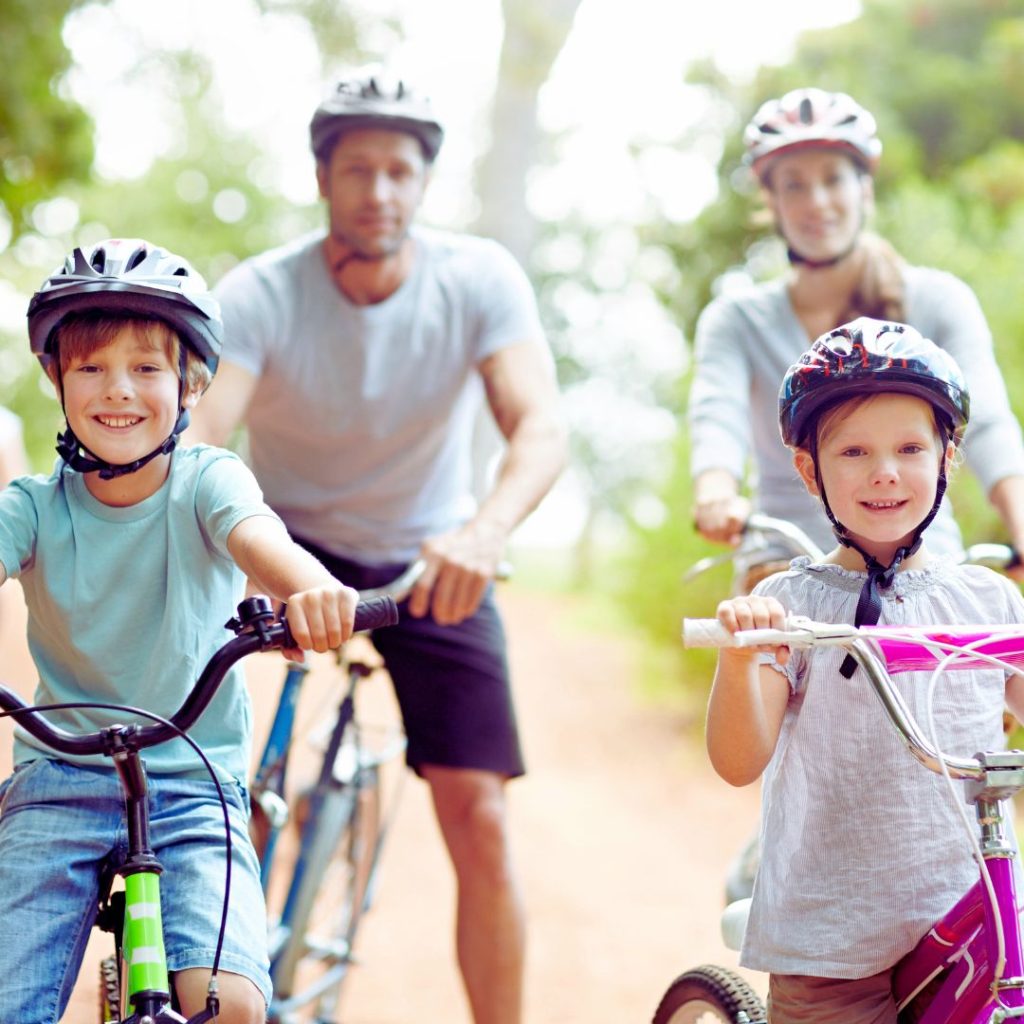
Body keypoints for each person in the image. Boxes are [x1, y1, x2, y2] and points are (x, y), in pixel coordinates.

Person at [187, 68, 566, 1024]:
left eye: (399, 171)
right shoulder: (263, 292)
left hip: (429, 558)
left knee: (478, 816)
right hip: (284, 544)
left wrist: (482, 534)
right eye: (357, 169)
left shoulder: (478, 278)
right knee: (191, 763)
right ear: (324, 179)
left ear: (424, 182)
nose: (379, 191)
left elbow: (540, 429)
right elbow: (200, 444)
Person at [0, 237, 362, 1024]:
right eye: (90, 367)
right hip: (59, 776)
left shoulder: (207, 480)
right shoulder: (31, 507)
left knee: (226, 1006)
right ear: (57, 379)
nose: (117, 390)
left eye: (147, 367)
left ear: (191, 383)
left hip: (194, 781)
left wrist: (313, 592)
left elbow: (261, 542)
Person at [706, 317, 1024, 1024]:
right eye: (854, 450)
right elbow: (736, 760)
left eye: (911, 447)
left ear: (949, 457)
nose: (885, 470)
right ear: (810, 470)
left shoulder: (988, 601)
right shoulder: (788, 605)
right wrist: (741, 653)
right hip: (831, 941)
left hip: (970, 923)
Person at [689, 87, 1024, 590]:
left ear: (864, 189)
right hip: (788, 568)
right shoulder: (738, 319)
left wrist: (1019, 520)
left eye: (833, 179)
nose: (816, 201)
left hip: (925, 563)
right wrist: (715, 491)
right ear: (772, 203)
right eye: (794, 186)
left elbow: (989, 423)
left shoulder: (936, 300)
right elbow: (718, 415)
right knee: (758, 662)